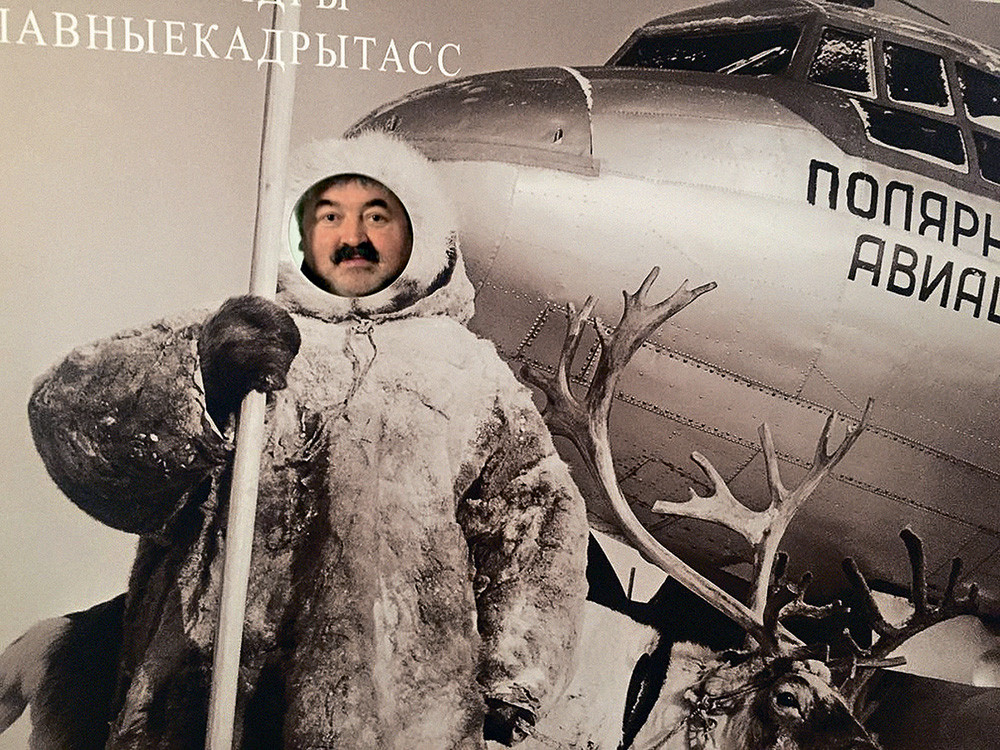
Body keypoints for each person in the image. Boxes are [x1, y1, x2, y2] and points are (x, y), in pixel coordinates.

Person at [18, 132, 589, 748]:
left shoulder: (467, 374)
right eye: (329, 216)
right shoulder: (236, 330)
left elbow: (538, 513)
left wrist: (517, 671)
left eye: (378, 217)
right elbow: (71, 415)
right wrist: (202, 374)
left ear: (420, 236)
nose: (353, 237)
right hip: (205, 699)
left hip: (395, 711)